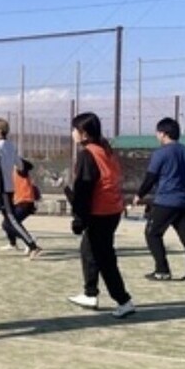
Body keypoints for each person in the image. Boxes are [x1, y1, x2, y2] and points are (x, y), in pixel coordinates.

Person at [65, 112, 136, 318]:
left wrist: (79, 218)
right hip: (112, 210)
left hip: (100, 212)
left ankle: (123, 301)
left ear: (84, 133)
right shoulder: (106, 149)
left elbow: (84, 188)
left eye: (74, 129)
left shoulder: (87, 154)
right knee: (89, 250)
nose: (72, 133)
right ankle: (90, 293)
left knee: (104, 258)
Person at [133, 117, 185, 282]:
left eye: (157, 133)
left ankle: (162, 270)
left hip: (166, 201)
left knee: (152, 234)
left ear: (164, 134)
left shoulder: (161, 153)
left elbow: (151, 177)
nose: (156, 136)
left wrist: (139, 195)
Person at [0, 118, 43, 259]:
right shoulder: (11, 146)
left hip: (2, 192)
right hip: (2, 191)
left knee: (11, 221)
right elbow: (19, 164)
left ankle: (33, 246)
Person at [0, 158, 39, 252]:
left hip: (25, 202)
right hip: (18, 202)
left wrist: (15, 159)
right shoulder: (9, 172)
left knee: (8, 224)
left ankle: (29, 239)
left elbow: (29, 166)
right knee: (6, 222)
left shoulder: (19, 168)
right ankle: (13, 244)